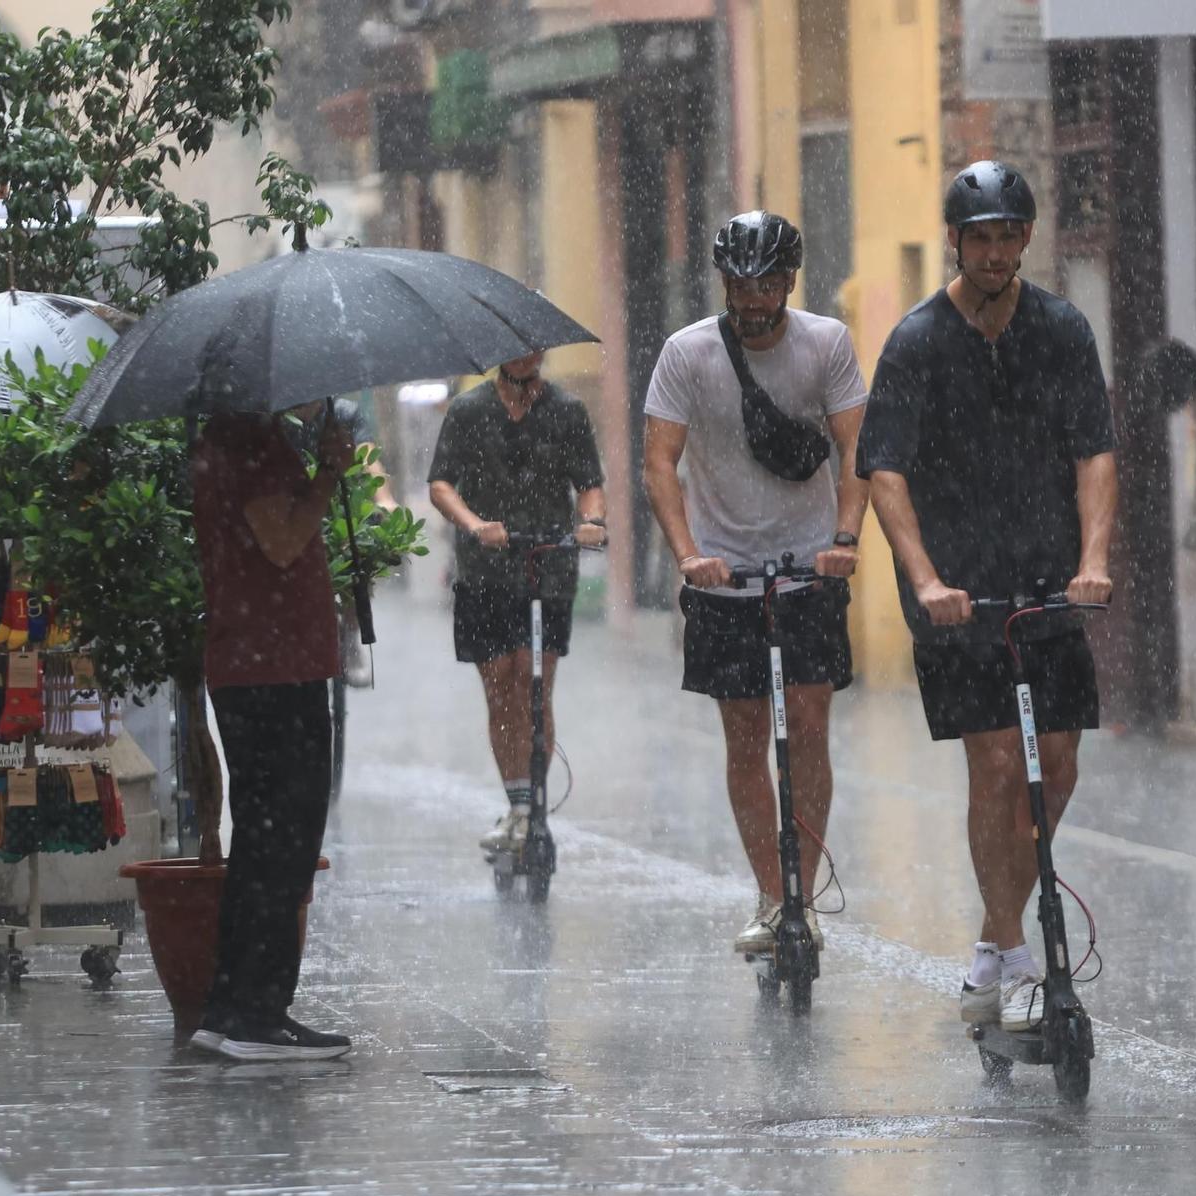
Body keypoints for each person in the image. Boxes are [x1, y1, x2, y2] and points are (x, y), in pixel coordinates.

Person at [856, 161, 1118, 1034]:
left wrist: (1093, 559)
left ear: (1026, 239)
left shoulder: (1062, 331)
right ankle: (1013, 945)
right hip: (962, 599)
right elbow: (884, 471)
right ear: (956, 243)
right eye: (981, 239)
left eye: (1009, 237)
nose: (996, 253)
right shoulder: (917, 343)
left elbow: (1094, 452)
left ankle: (989, 941)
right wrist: (926, 579)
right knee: (999, 764)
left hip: (1048, 584)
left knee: (1058, 766)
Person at [642, 210, 870, 954]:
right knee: (744, 738)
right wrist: (688, 555)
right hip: (723, 575)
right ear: (724, 283)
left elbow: (857, 448)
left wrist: (844, 540)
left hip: (809, 571)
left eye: (768, 284)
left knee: (807, 727)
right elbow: (659, 462)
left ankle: (804, 886)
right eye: (741, 284)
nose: (753, 299)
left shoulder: (825, 344)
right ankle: (773, 895)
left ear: (789, 282)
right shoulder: (687, 353)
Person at [188, 400, 357, 1061]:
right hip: (274, 670)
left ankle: (231, 1008)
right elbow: (281, 542)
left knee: (262, 840)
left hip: (258, 664)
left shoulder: (229, 435)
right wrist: (328, 474)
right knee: (284, 840)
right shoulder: (251, 439)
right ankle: (257, 1015)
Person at [427, 351, 607, 856]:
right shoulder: (468, 410)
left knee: (533, 681)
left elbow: (589, 485)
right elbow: (441, 484)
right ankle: (517, 802)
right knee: (499, 684)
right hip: (483, 570)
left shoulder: (567, 410)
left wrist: (593, 522)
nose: (527, 354)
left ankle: (534, 807)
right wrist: (474, 524)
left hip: (548, 565)